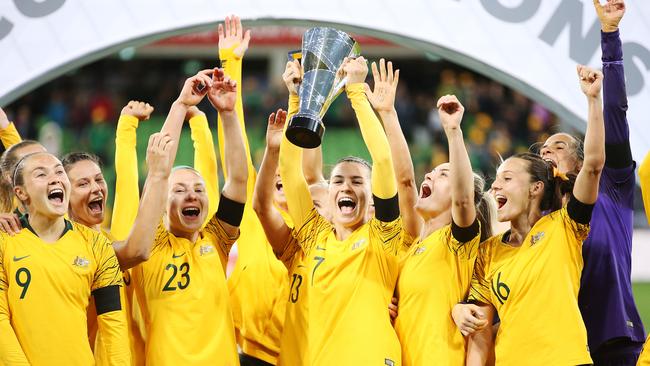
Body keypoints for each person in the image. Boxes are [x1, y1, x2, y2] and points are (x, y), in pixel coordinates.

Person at [454, 64, 605, 365]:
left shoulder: (565, 226)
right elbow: (480, 330)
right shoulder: (489, 252)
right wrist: (460, 310)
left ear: (536, 188)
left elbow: (593, 164)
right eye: (497, 178)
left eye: (508, 178)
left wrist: (593, 100)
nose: (496, 184)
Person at [277, 56, 404, 365]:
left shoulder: (384, 235)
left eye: (357, 181)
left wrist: (357, 92)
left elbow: (384, 162)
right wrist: (297, 101)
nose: (346, 187)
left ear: (372, 196)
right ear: (328, 191)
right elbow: (290, 172)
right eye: (339, 180)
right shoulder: (313, 236)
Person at [368, 56, 495, 364]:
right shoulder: (412, 245)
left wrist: (454, 132)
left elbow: (464, 200)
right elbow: (404, 180)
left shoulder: (459, 243)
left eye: (443, 175)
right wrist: (387, 113)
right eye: (433, 171)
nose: (430, 175)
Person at [538, 1, 646, 363]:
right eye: (541, 151)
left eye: (558, 146)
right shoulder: (539, 217)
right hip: (559, 345)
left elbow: (615, 113)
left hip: (615, 338)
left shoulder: (611, 188)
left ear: (583, 160)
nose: (546, 152)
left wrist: (610, 37)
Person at [131, 67, 248, 365]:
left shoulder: (217, 241)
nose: (192, 195)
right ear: (162, 199)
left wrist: (229, 114)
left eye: (198, 189)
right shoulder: (151, 244)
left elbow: (237, 180)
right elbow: (159, 171)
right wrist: (181, 106)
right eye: (179, 190)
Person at [0, 151, 131, 365]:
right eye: (41, 174)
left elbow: (113, 325)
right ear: (21, 193)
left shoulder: (98, 246)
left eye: (59, 172)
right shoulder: (5, 242)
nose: (55, 178)